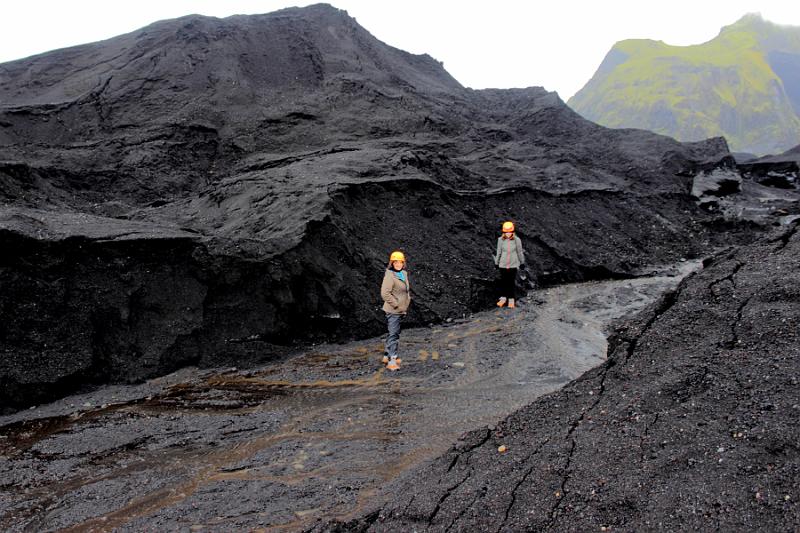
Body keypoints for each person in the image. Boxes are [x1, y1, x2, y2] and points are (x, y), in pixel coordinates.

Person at [381, 250, 411, 371]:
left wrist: (406, 301)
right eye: (396, 262)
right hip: (393, 310)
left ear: (403, 263)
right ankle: (392, 362)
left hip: (401, 309)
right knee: (394, 335)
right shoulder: (389, 275)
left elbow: (406, 290)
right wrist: (396, 305)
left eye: (400, 262)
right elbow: (385, 293)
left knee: (394, 332)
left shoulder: (403, 273)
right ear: (392, 263)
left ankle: (386, 356)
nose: (398, 264)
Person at [494, 221, 525, 308]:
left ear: (512, 232)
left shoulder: (517, 240)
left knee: (511, 283)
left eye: (509, 232)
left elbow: (520, 252)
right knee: (503, 282)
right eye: (506, 232)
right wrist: (496, 263)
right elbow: (498, 252)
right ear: (503, 232)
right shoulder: (500, 240)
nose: (508, 234)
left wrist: (522, 262)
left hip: (513, 265)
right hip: (502, 265)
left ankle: (511, 300)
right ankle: (503, 299)